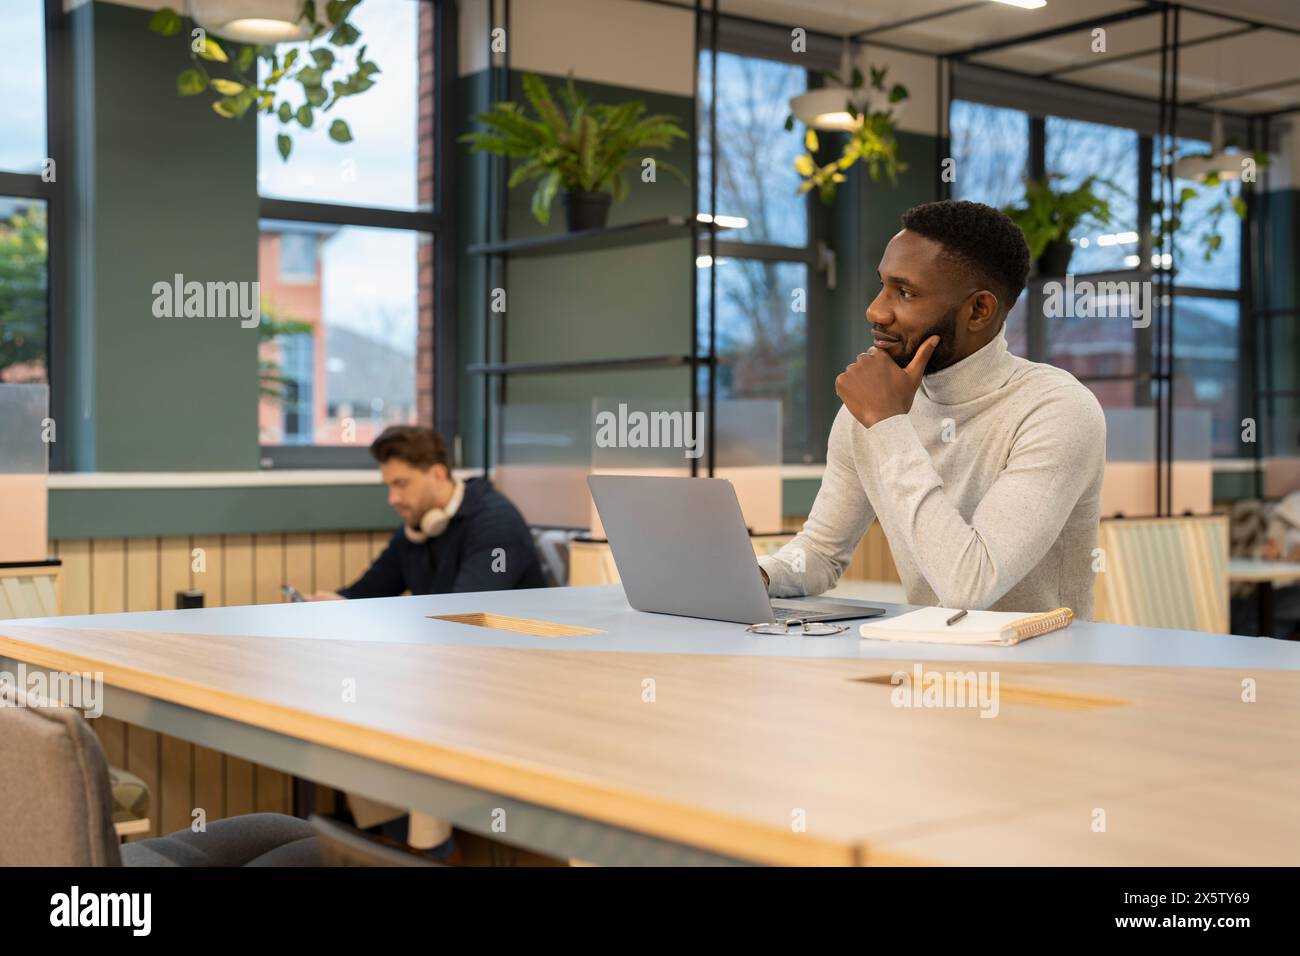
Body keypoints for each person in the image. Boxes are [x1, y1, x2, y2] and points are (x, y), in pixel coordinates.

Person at [758, 199, 1107, 617]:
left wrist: (888, 425)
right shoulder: (872, 407)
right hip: (927, 664)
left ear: (979, 310)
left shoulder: (1057, 410)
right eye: (882, 285)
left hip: (1045, 671)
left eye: (904, 292)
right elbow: (819, 553)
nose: (875, 310)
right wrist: (755, 576)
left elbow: (970, 587)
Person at [304, 424, 545, 862]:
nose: (393, 498)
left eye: (401, 484)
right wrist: (334, 603)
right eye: (388, 486)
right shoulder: (416, 528)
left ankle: (428, 850)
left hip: (514, 679)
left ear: (437, 474)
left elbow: (460, 619)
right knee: (351, 714)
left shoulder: (496, 525)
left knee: (402, 710)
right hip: (449, 671)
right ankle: (401, 841)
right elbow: (369, 591)